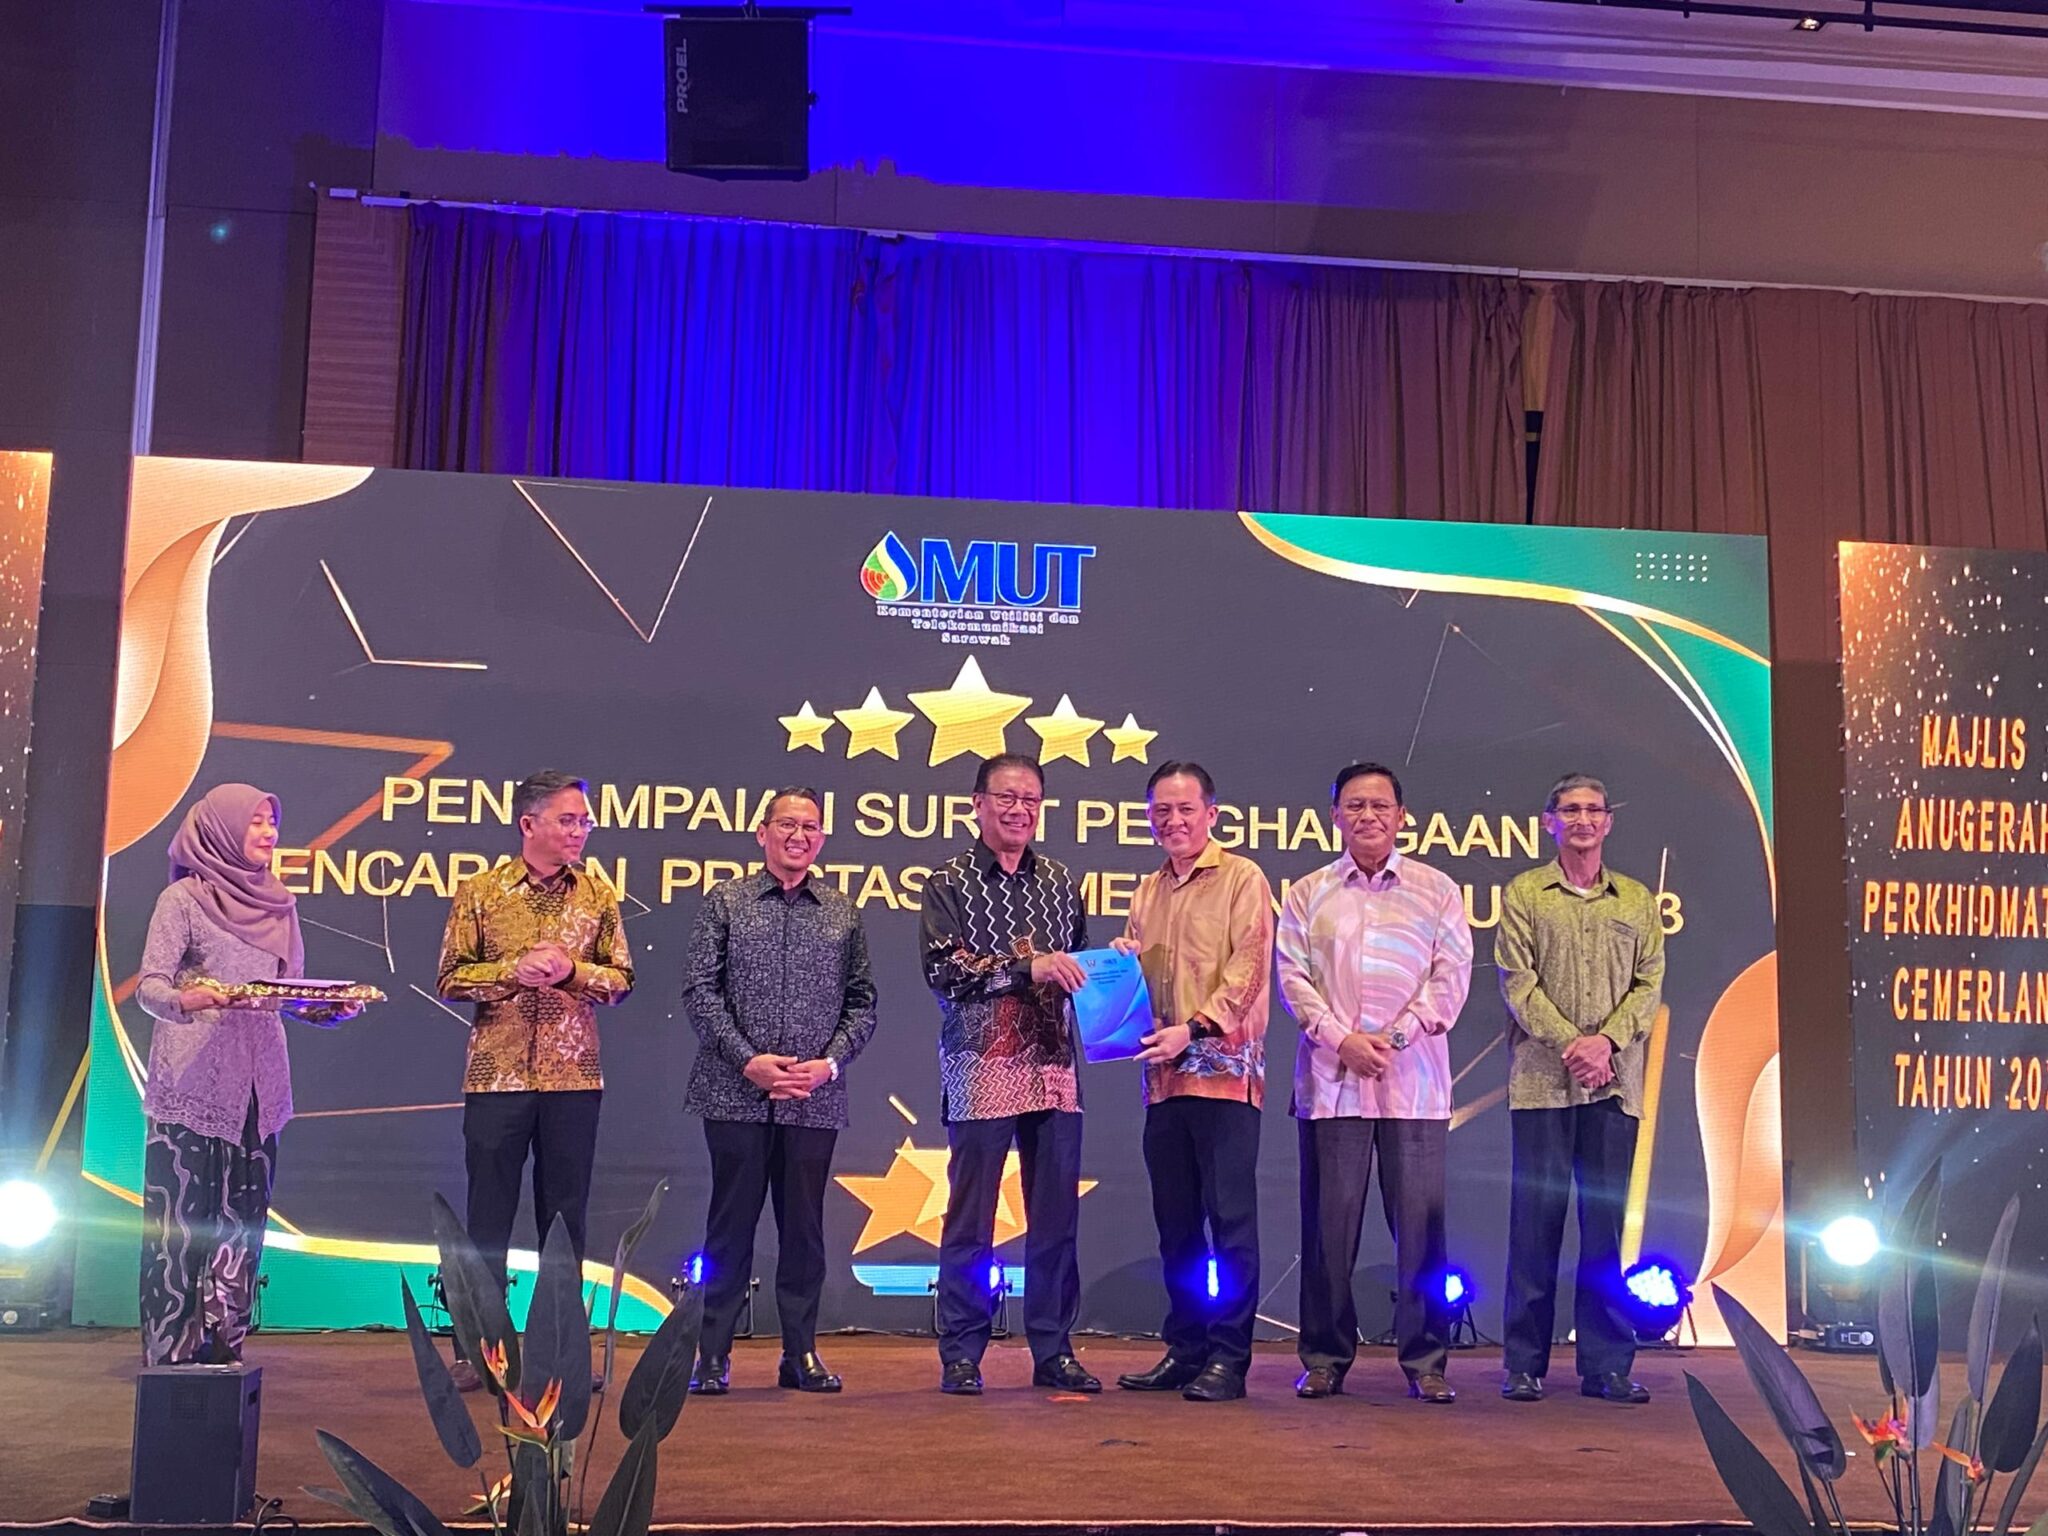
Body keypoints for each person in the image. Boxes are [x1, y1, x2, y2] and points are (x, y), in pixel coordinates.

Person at [136, 784, 361, 1365]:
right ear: (221, 831)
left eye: (271, 822)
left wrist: (328, 1009)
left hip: (260, 1086)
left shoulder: (279, 905)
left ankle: (224, 1345)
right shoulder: (183, 900)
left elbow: (286, 994)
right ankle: (172, 1353)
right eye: (255, 822)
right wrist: (188, 999)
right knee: (183, 1222)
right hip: (193, 1082)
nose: (268, 833)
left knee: (243, 1223)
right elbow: (150, 987)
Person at [1277, 761, 1472, 1404]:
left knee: (1421, 1231)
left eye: (1380, 805)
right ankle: (1325, 1358)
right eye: (1355, 805)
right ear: (1334, 815)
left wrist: (1394, 1038)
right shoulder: (1307, 893)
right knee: (1328, 1232)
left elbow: (1451, 977)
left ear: (1401, 816)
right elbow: (1293, 979)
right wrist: (1343, 1041)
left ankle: (1427, 1362)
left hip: (1412, 1086)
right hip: (1332, 1085)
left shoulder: (1438, 890)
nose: (1368, 816)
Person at [437, 769, 633, 1390]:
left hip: (574, 1078)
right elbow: (451, 977)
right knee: (488, 1215)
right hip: (496, 1076)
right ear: (528, 824)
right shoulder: (481, 892)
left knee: (565, 1219)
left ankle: (561, 1351)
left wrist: (573, 971)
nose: (579, 831)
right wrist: (512, 971)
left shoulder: (598, 896)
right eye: (567, 820)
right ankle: (481, 1352)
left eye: (584, 821)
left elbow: (621, 981)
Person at [682, 787, 878, 1395]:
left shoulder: (842, 912)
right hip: (733, 1094)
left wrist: (829, 1065)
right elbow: (700, 993)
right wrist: (748, 1062)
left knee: (805, 1232)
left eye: (811, 826)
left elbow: (863, 1003)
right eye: (787, 824)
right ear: (762, 833)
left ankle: (800, 1355)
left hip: (813, 1099)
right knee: (729, 1227)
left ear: (822, 838)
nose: (799, 835)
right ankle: (712, 1357)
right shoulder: (726, 902)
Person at [920, 753, 1095, 1395]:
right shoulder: (948, 881)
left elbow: (1076, 967)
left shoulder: (1062, 881)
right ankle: (962, 1353)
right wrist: (1028, 969)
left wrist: (1112, 967)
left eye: (1030, 800)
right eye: (1006, 798)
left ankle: (1053, 1349)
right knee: (971, 1218)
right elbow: (945, 972)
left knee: (1056, 1217)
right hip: (981, 1066)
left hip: (1053, 1067)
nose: (1019, 810)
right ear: (977, 804)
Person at [1494, 773, 1665, 1405]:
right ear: (1550, 822)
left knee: (1606, 1231)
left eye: (1594, 810)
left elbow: (1648, 985)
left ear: (1609, 822)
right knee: (1534, 1225)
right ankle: (1523, 1364)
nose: (1583, 820)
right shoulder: (1525, 893)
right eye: (1570, 810)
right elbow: (1517, 982)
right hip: (1542, 1085)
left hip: (1613, 1087)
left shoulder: (1637, 900)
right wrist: (1574, 1044)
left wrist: (1606, 1044)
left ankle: (1606, 1366)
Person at [1111, 761, 1274, 1402]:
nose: (1173, 821)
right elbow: (1137, 982)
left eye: (1185, 809)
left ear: (1212, 814)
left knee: (1230, 1224)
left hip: (1226, 1080)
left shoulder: (1242, 878)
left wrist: (1195, 1029)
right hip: (1163, 1082)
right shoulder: (1147, 891)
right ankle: (1185, 1349)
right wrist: (1121, 968)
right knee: (1175, 1226)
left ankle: (1229, 1358)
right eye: (1161, 811)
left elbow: (1249, 971)